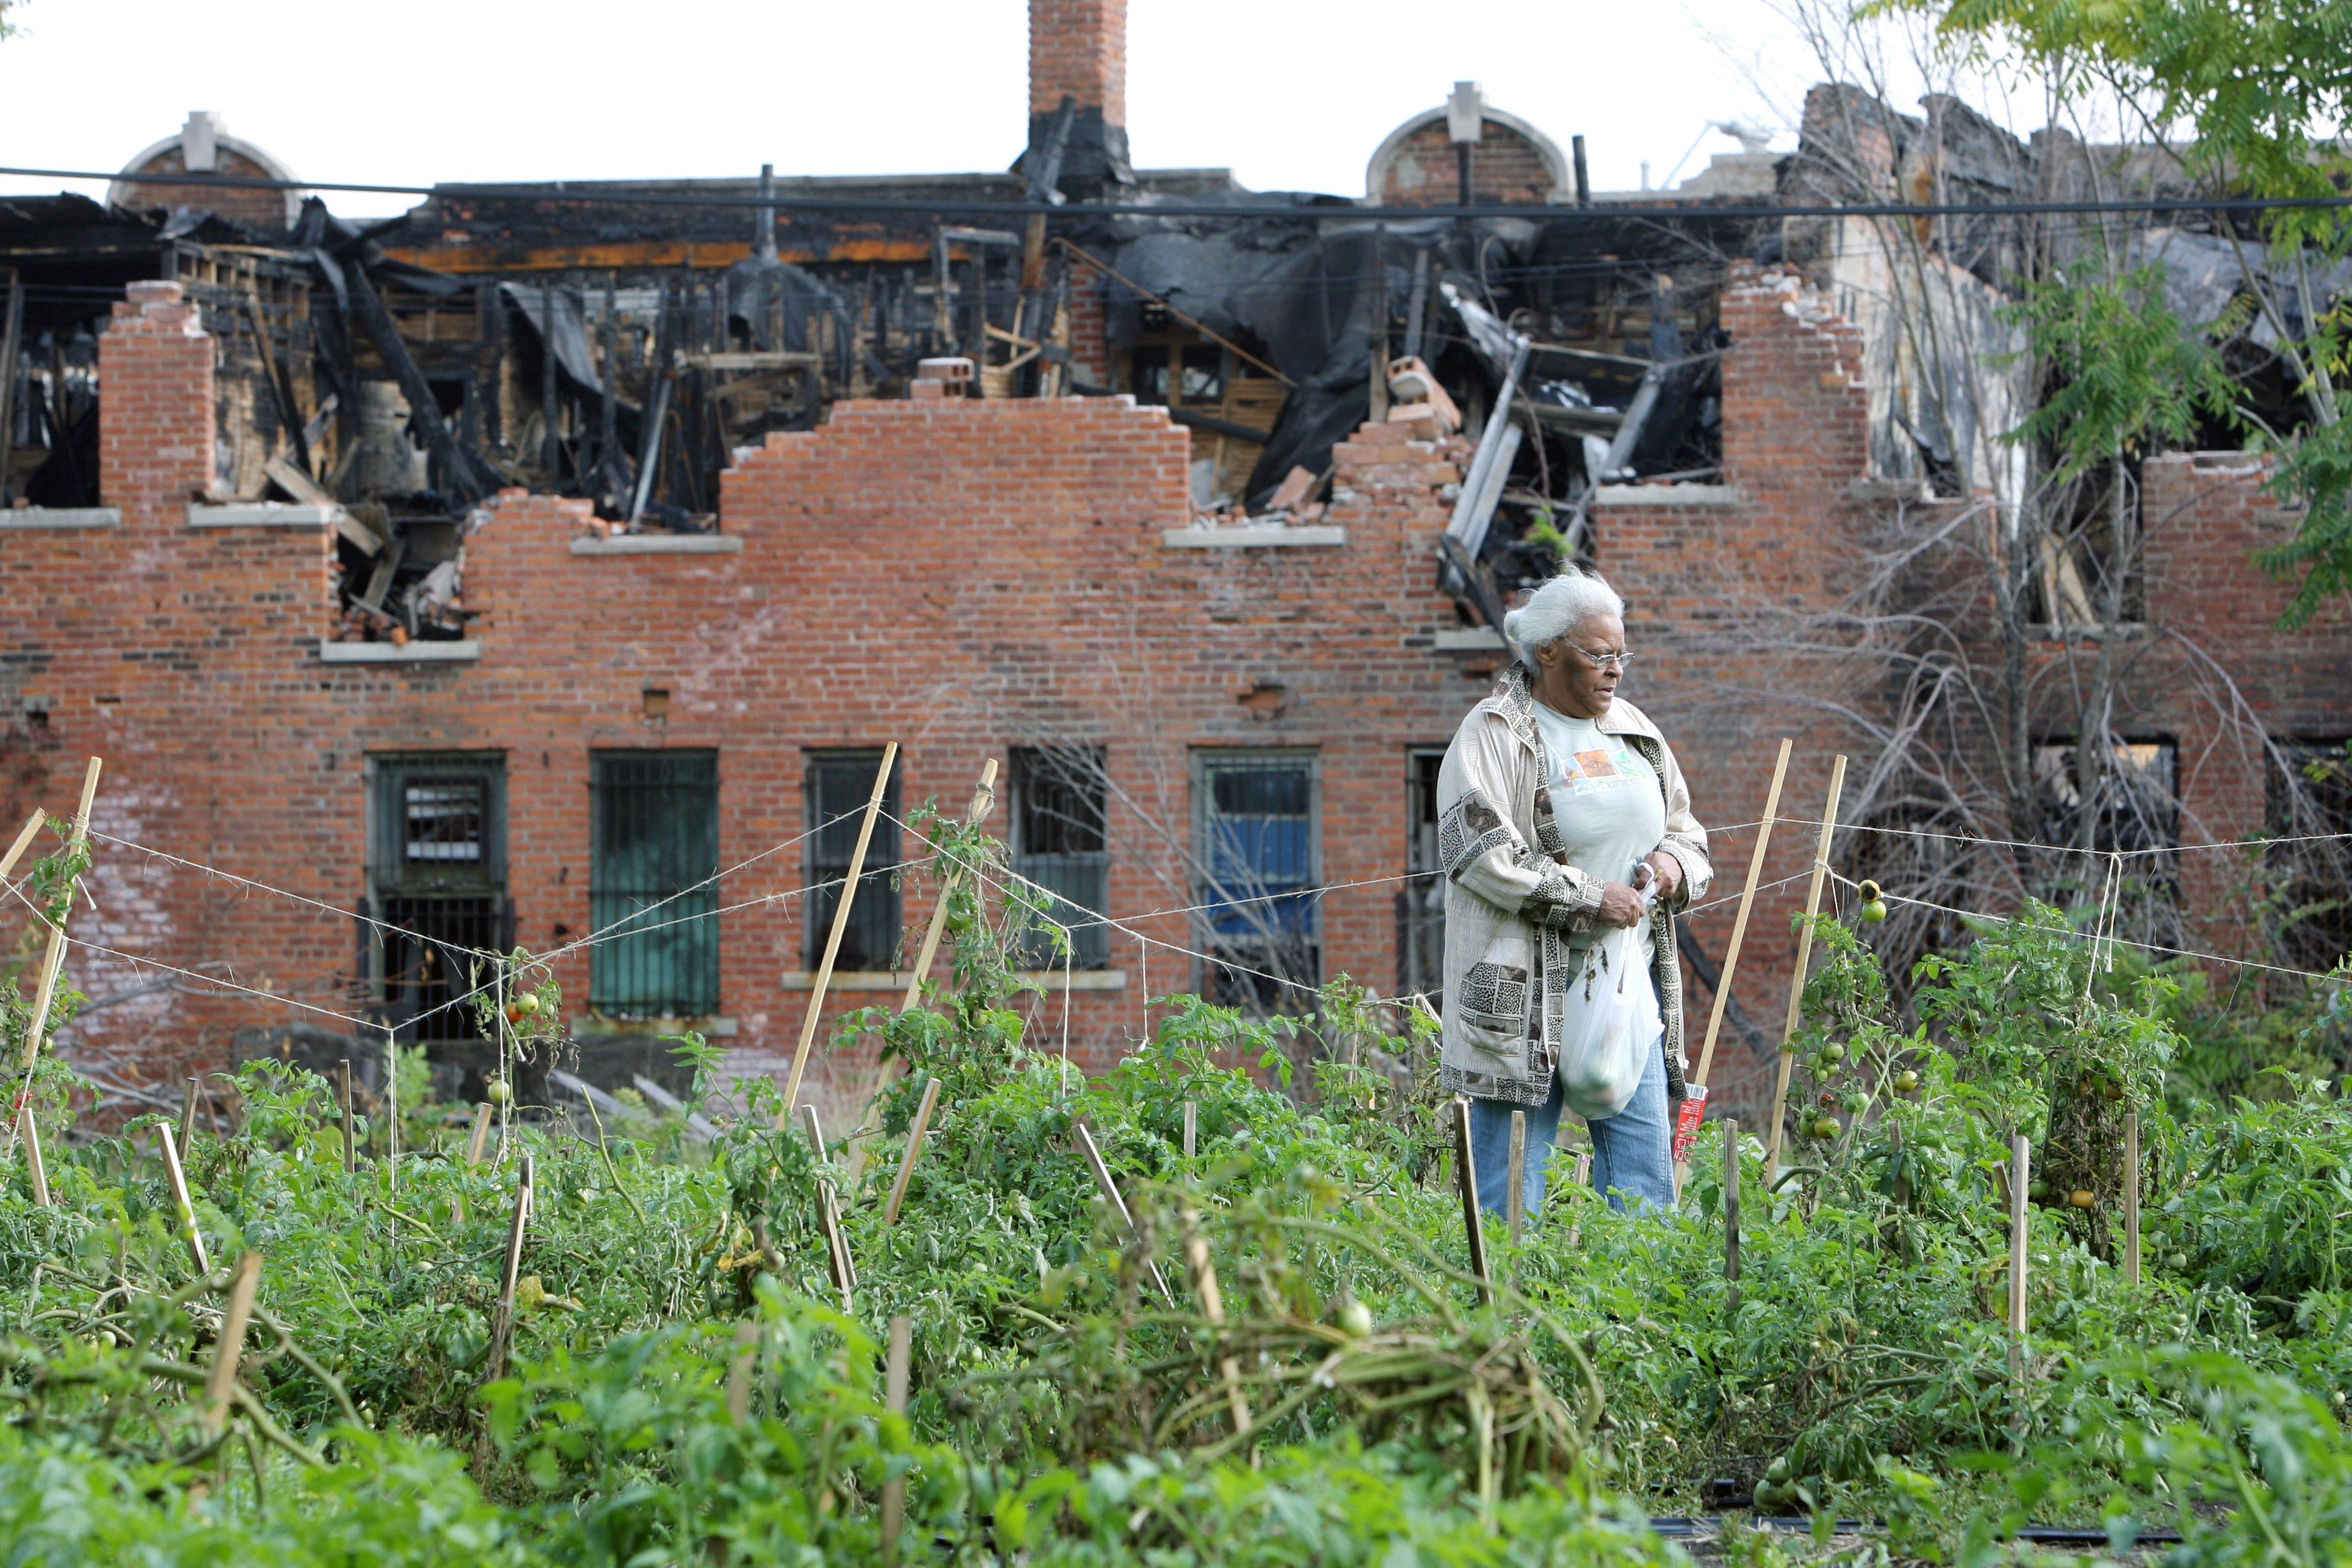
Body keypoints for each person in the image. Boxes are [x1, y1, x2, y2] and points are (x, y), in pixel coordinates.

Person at [1433, 569, 1710, 1215]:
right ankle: (1506, 1313)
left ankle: (1639, 1316)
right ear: (1549, 651)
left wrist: (1672, 863)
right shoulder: (1493, 733)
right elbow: (1477, 854)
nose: (1615, 671)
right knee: (1509, 1193)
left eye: (1622, 655)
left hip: (1621, 988)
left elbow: (1686, 828)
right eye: (1599, 655)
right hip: (1518, 999)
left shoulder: (1633, 729)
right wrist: (1590, 896)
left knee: (1642, 1187)